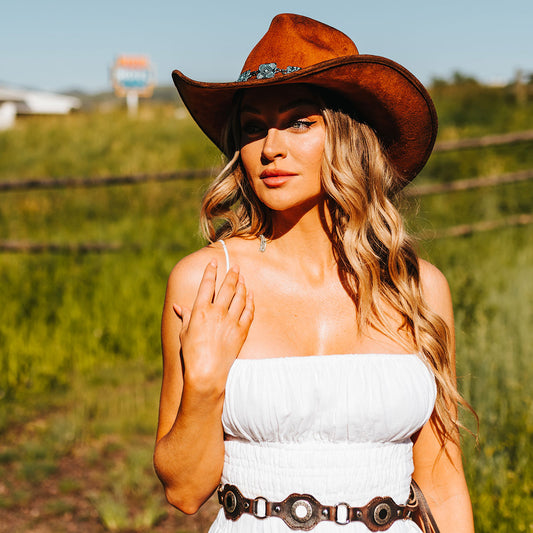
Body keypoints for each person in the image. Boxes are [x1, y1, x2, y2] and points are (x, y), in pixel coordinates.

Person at [154, 13, 475, 533]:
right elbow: (186, 492)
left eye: (300, 122)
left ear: (350, 138)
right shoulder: (207, 282)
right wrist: (207, 384)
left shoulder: (417, 287)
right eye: (254, 127)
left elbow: (443, 482)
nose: (271, 148)